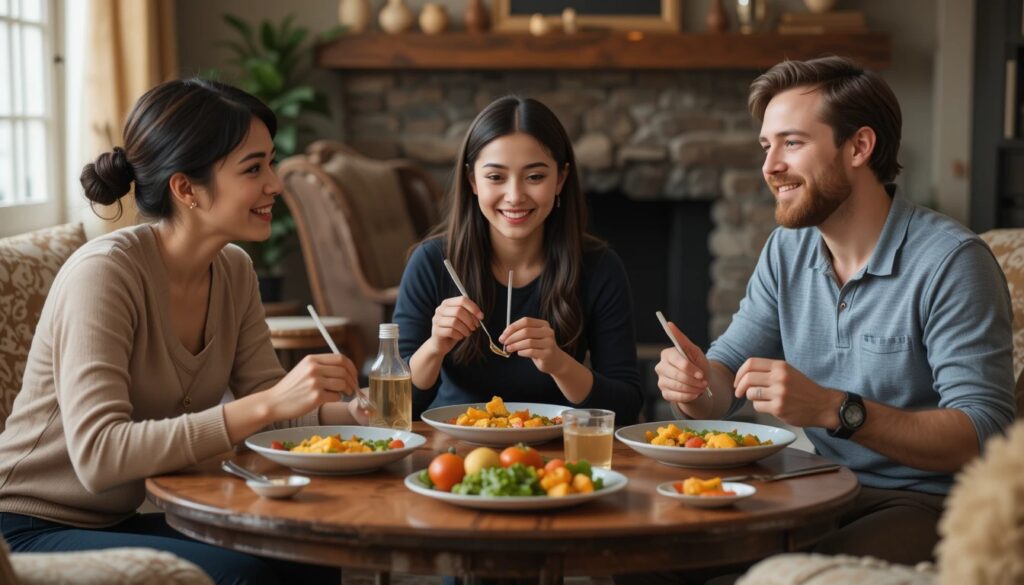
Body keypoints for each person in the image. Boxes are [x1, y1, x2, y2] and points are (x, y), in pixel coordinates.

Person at [0, 78, 366, 585]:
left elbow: (268, 402)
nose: (276, 183)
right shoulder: (106, 274)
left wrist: (353, 411)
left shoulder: (234, 269)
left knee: (310, 554)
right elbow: (99, 457)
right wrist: (267, 403)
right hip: (27, 530)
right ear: (186, 188)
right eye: (253, 168)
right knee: (247, 576)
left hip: (117, 520)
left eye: (271, 162)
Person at [655, 57, 1016, 566]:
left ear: (859, 147)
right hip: (821, 488)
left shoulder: (951, 263)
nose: (770, 165)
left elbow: (983, 434)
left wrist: (834, 409)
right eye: (766, 146)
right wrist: (693, 385)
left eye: (792, 143)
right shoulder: (787, 250)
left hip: (930, 505)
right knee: (662, 554)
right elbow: (724, 381)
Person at [393, 96, 642, 424]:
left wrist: (559, 363)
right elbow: (393, 411)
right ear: (472, 181)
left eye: (534, 177)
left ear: (561, 179)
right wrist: (435, 347)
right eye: (496, 177)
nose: (514, 196)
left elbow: (626, 407)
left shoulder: (599, 267)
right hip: (454, 451)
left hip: (558, 456)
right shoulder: (431, 263)